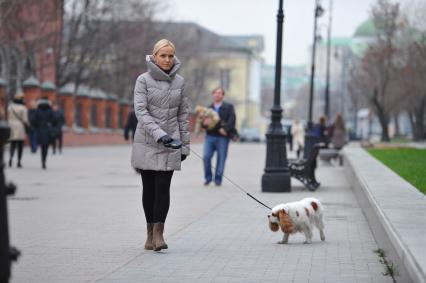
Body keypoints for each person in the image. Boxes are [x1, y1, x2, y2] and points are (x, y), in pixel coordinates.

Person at [131, 39, 190, 252]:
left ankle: (159, 234)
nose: (167, 59)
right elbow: (141, 112)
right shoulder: (143, 80)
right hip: (147, 141)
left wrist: (184, 146)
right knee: (149, 189)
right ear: (154, 56)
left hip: (171, 143)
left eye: (170, 55)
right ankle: (149, 234)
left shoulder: (180, 82)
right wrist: (160, 135)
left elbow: (183, 115)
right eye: (163, 55)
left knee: (163, 188)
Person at [202, 87, 236, 186]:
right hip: (210, 136)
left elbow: (232, 120)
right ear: (213, 94)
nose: (217, 95)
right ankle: (208, 178)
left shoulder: (229, 107)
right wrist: (204, 123)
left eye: (220, 93)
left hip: (223, 137)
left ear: (223, 95)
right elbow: (203, 124)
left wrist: (225, 129)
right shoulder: (209, 108)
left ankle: (218, 179)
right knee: (206, 157)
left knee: (221, 159)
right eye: (215, 93)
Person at [7, 91, 29, 168]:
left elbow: (7, 117)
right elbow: (25, 120)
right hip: (20, 127)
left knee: (12, 144)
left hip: (11, 126)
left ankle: (10, 158)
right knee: (20, 145)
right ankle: (19, 162)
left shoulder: (10, 107)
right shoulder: (23, 108)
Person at [32, 97, 55, 169]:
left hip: (40, 130)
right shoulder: (50, 110)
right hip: (48, 130)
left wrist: (37, 126)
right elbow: (54, 120)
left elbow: (34, 121)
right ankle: (44, 161)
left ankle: (42, 161)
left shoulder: (37, 110)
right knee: (46, 147)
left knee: (42, 147)